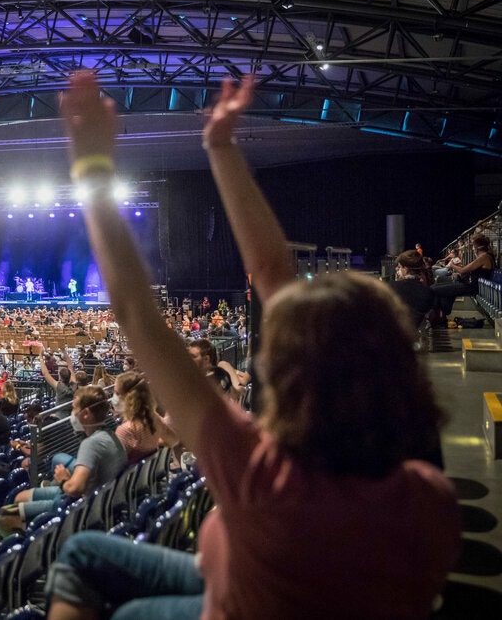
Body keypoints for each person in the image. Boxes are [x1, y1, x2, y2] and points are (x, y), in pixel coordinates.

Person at [45, 71, 458, 620]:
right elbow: (268, 275)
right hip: (284, 586)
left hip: (243, 593)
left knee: (94, 577)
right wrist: (221, 148)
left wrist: (91, 164)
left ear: (294, 382)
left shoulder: (262, 477)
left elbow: (137, 317)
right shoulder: (428, 498)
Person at [2, 386, 126, 529]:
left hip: (78, 506)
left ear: (85, 413)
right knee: (20, 497)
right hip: (97, 500)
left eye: (74, 409)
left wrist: (63, 480)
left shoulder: (91, 444)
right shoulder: (110, 433)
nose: (72, 414)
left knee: (6, 516)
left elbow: (75, 489)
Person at [113, 372, 177, 464]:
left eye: (117, 393)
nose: (114, 397)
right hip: (145, 476)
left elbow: (113, 466)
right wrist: (152, 444)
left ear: (128, 397)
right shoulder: (154, 418)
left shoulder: (125, 430)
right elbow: (172, 439)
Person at [432, 234, 496, 315]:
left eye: (473, 245)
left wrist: (452, 265)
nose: (472, 248)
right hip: (471, 285)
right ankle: (442, 313)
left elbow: (462, 270)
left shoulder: (484, 257)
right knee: (439, 287)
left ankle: (440, 314)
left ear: (477, 247)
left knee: (435, 289)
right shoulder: (486, 257)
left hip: (472, 287)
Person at [392, 249, 436, 328]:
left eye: (399, 267)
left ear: (405, 269)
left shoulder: (392, 288)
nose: (397, 270)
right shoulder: (429, 292)